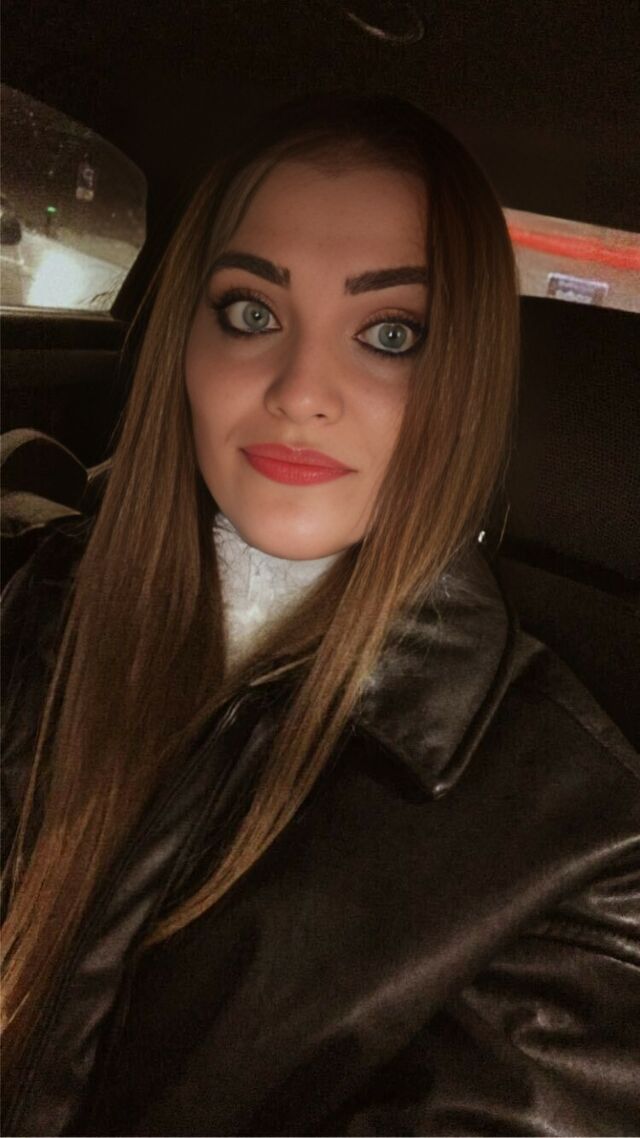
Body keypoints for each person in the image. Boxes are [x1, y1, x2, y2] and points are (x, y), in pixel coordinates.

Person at [1, 93, 639, 1137]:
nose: (301, 390)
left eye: (390, 333)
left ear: (467, 378)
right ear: (184, 343)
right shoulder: (32, 598)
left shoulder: (585, 855)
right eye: (251, 313)